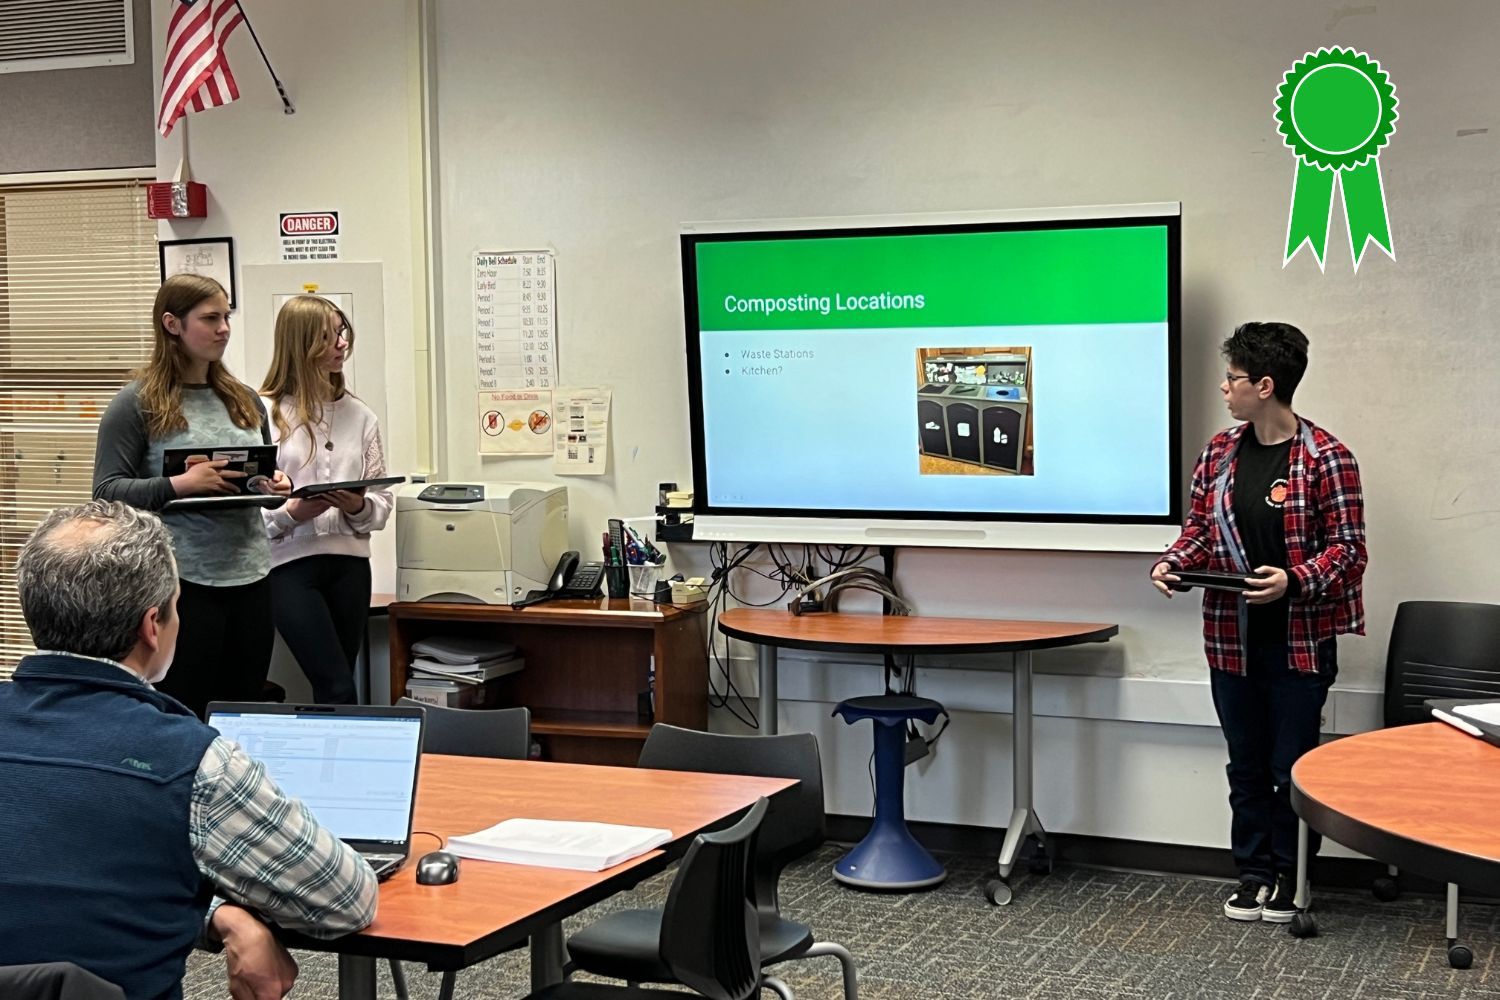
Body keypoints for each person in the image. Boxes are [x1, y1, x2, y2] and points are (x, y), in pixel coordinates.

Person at [0, 500, 377, 1000]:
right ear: (152, 626)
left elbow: (51, 879)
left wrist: (212, 914)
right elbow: (347, 897)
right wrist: (226, 909)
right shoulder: (192, 763)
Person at [1150, 322, 1367, 924]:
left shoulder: (1327, 458)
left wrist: (1293, 581)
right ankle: (1252, 875)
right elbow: (1199, 533)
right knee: (1244, 763)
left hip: (1299, 644)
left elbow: (1350, 552)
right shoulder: (1219, 453)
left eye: (1233, 379)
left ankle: (1293, 877)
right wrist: (1173, 562)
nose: (1224, 388)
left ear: (1265, 386)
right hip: (1231, 641)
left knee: (1290, 767)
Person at [93, 274, 290, 718]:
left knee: (242, 711)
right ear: (172, 324)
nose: (224, 328)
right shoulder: (136, 403)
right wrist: (179, 485)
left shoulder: (244, 400)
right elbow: (105, 493)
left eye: (226, 317)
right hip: (183, 586)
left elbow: (253, 485)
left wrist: (274, 488)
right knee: (183, 710)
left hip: (252, 577)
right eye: (210, 318)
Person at [259, 296, 394, 703]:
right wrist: (292, 514)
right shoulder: (264, 413)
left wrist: (357, 507)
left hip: (350, 566)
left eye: (342, 332)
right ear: (299, 343)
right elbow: (244, 512)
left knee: (338, 685)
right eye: (327, 335)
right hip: (288, 566)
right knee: (335, 683)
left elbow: (382, 500)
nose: (340, 344)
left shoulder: (361, 415)